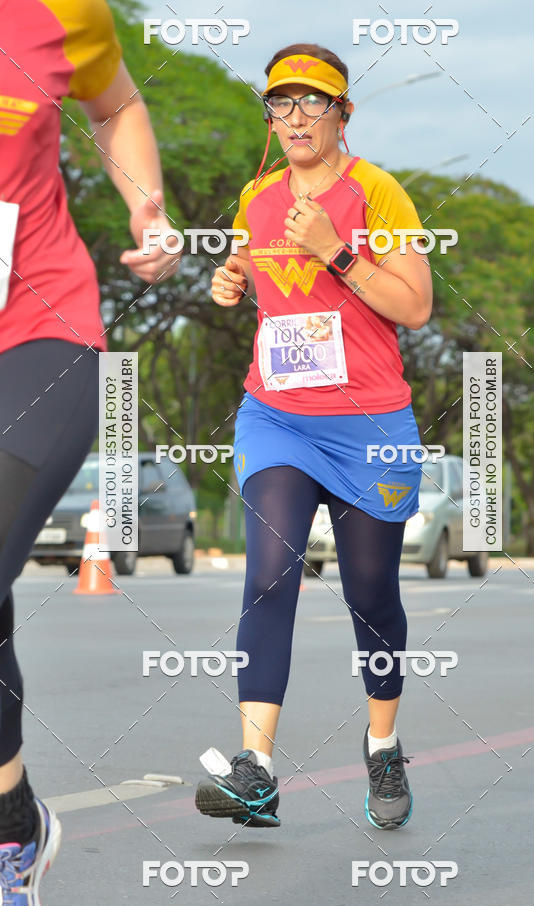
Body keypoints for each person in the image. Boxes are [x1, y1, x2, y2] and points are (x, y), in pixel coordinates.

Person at [195, 43, 432, 831]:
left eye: (313, 102)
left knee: (372, 597)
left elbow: (415, 307)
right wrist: (230, 280)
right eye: (281, 104)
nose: (295, 117)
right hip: (278, 417)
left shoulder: (379, 193)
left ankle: (384, 742)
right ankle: (255, 770)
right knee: (269, 573)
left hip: (369, 425)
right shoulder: (257, 196)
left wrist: (336, 250)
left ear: (343, 115)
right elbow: (248, 269)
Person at [0, 1, 177, 900]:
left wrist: (146, 208)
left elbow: (116, 107)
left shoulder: (58, 10)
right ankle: (11, 819)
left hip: (40, 329)